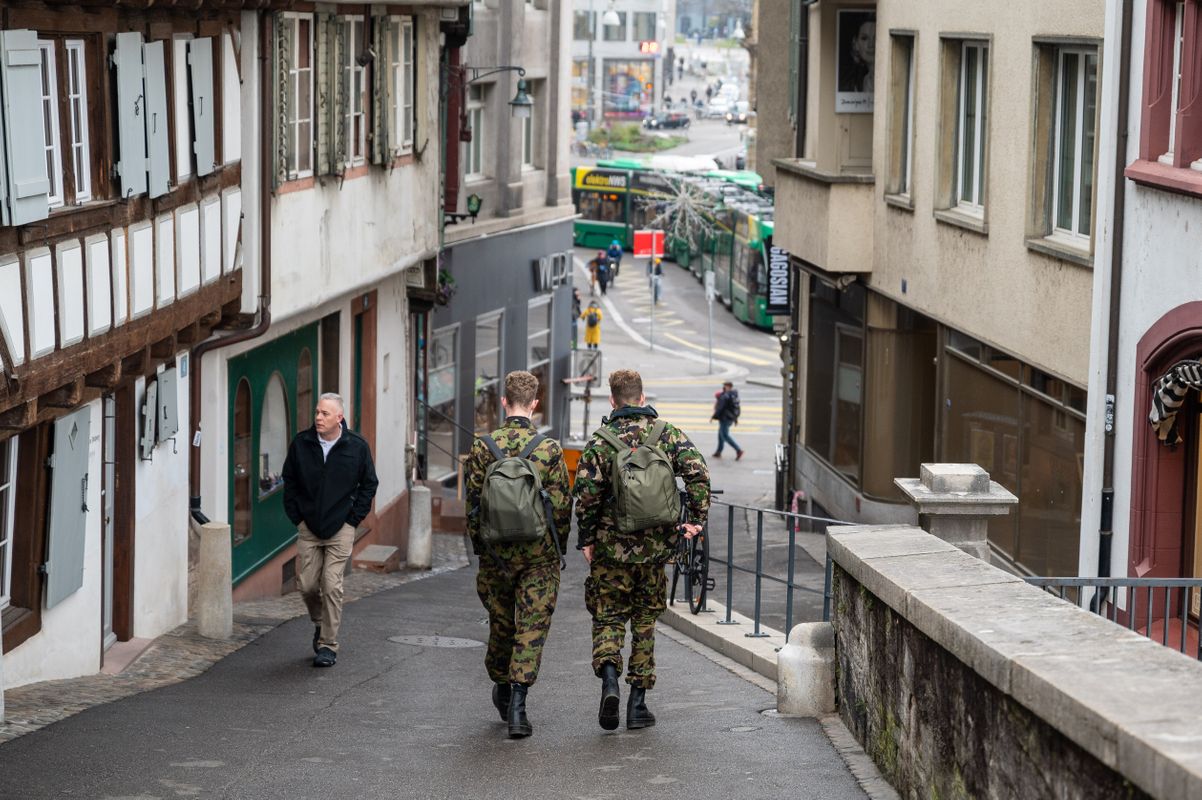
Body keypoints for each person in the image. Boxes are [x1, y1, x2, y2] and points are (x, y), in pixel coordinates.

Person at [574, 370, 710, 731]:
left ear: (613, 400)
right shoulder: (666, 434)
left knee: (608, 617)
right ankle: (638, 705)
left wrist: (586, 539)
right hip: (655, 550)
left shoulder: (601, 441)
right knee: (646, 621)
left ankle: (609, 681)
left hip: (610, 550)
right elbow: (698, 472)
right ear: (642, 395)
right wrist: (696, 518)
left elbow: (585, 497)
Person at [464, 371, 571, 739]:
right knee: (532, 627)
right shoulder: (549, 450)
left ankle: (502, 684)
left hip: (496, 555)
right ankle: (519, 706)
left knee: (501, 623)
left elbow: (473, 506)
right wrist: (558, 549)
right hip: (538, 556)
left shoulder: (483, 447)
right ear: (535, 404)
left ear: (504, 402)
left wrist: (482, 551)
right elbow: (560, 507)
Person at [282, 393, 379, 668]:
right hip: (309, 526)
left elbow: (369, 484)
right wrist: (297, 518)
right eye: (317, 412)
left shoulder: (356, 446)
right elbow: (289, 481)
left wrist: (353, 519)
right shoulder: (302, 444)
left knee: (332, 584)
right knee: (308, 585)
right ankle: (320, 623)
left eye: (324, 413)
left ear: (339, 418)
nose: (318, 418)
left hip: (341, 526)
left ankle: (328, 645)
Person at [839, 18, 875, 93]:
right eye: (864, 38)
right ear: (855, 44)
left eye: (876, 38)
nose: (871, 44)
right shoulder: (857, 81)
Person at [711, 380, 744, 460]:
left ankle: (738, 450)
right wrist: (735, 418)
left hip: (725, 418)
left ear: (728, 386)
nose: (724, 387)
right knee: (720, 434)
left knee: (725, 435)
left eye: (725, 386)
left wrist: (713, 416)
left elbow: (720, 408)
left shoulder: (726, 396)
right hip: (730, 418)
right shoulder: (734, 395)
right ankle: (719, 451)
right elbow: (736, 408)